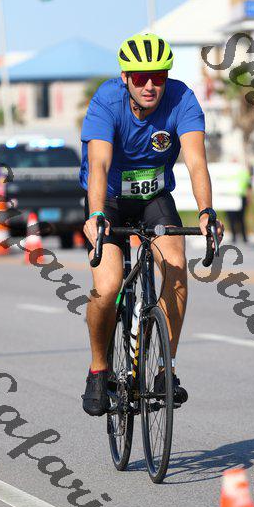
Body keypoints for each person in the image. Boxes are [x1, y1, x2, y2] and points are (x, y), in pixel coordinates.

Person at [79, 33, 224, 417]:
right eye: (140, 77)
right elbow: (99, 165)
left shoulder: (182, 99)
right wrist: (96, 216)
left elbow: (196, 162)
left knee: (176, 269)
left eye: (158, 77)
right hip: (108, 201)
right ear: (125, 77)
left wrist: (206, 212)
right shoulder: (106, 101)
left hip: (154, 198)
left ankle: (164, 370)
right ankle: (98, 369)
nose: (149, 85)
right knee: (108, 287)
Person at [225, 164, 251, 244]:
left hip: (239, 197)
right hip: (232, 198)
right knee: (235, 219)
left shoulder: (242, 173)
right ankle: (238, 237)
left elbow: (248, 186)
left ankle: (242, 237)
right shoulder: (242, 173)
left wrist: (248, 197)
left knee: (239, 219)